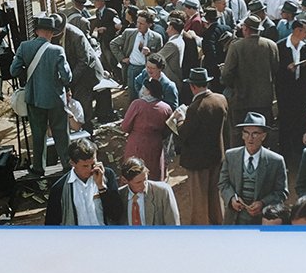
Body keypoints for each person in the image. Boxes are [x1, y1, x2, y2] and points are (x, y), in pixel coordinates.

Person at [11, 16, 72, 175]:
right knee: (61, 134)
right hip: (55, 99)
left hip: (34, 98)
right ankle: (67, 165)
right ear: (51, 33)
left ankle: (38, 168)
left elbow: (13, 71)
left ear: (37, 31)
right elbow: (67, 77)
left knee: (38, 135)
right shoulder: (57, 50)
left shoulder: (24, 47)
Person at [174, 67, 228, 225]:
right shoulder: (221, 99)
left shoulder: (195, 108)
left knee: (199, 200)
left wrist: (180, 119)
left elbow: (184, 133)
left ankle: (201, 229)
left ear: (192, 86)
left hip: (197, 161)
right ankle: (219, 224)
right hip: (216, 156)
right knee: (215, 196)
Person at [218, 112, 289, 225]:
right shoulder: (231, 156)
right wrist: (231, 199)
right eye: (246, 133)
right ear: (242, 135)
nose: (250, 138)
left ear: (263, 136)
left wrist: (262, 203)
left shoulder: (276, 161)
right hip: (234, 219)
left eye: (255, 133)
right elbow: (223, 183)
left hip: (261, 220)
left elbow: (282, 192)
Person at [221, 15, 280, 147]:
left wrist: (231, 85)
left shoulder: (236, 46)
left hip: (241, 100)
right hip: (264, 101)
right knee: (262, 135)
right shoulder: (271, 45)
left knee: (239, 136)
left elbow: (226, 75)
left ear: (246, 29)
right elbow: (276, 70)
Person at [45, 138, 123, 226]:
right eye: (85, 166)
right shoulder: (59, 189)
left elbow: (116, 214)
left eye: (93, 164)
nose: (91, 169)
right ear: (72, 163)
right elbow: (51, 224)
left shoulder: (107, 175)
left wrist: (101, 187)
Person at [275, 19, 306, 160]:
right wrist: (286, 69)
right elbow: (275, 69)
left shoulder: (305, 47)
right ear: (297, 30)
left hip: (301, 92)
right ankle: (285, 153)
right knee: (286, 121)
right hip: (285, 91)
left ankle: (298, 152)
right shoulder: (280, 46)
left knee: (300, 120)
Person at [120, 78, 173, 181]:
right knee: (154, 173)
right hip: (155, 144)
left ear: (148, 91)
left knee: (133, 172)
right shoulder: (166, 108)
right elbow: (168, 130)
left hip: (136, 144)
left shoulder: (137, 104)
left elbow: (125, 126)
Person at [110, 10, 164, 101]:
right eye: (138, 22)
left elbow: (160, 56)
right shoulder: (129, 33)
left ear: (149, 24)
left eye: (142, 23)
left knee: (148, 94)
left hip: (148, 70)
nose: (138, 25)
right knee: (132, 93)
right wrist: (122, 58)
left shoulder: (156, 37)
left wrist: (150, 53)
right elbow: (113, 44)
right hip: (132, 68)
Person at [116, 156, 180, 225]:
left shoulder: (162, 192)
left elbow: (173, 225)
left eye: (145, 179)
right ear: (125, 180)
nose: (144, 185)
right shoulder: (119, 196)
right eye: (138, 182)